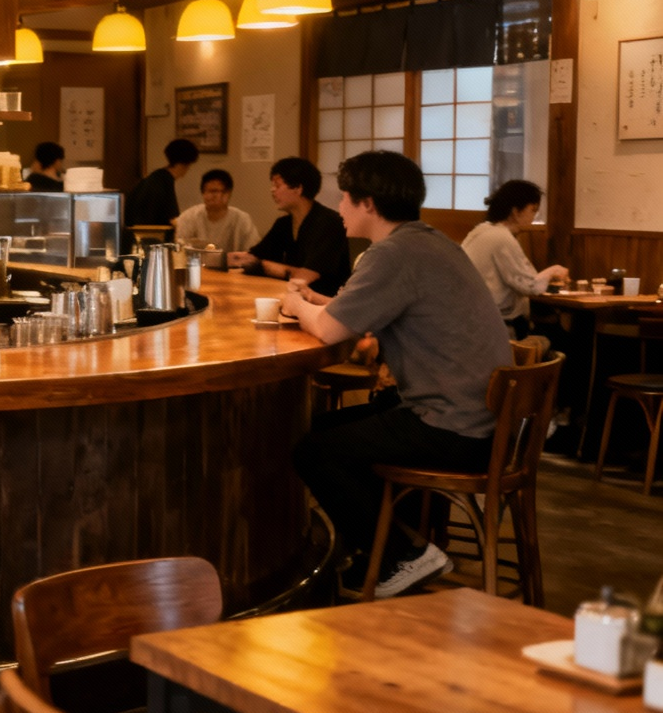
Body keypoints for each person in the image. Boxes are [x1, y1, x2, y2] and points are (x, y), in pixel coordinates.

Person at [282, 150, 512, 598]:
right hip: (483, 418)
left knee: (313, 451)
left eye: (345, 197)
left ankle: (402, 554)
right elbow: (356, 309)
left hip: (454, 427)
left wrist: (294, 304)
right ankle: (372, 550)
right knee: (324, 430)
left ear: (368, 203)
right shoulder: (427, 241)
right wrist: (319, 302)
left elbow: (329, 330)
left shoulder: (392, 253)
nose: (340, 207)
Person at [228, 156, 351, 297]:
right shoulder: (283, 224)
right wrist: (222, 258)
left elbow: (306, 276)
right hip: (289, 295)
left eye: (277, 185)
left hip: (323, 300)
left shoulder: (330, 223)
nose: (272, 190)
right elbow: (254, 256)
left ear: (298, 188)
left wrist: (262, 265)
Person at [462, 179, 570, 338]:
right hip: (496, 327)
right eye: (533, 210)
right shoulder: (501, 237)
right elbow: (530, 286)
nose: (534, 215)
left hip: (474, 320)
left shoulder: (481, 231)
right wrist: (554, 270)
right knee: (566, 336)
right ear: (515, 211)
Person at [124, 138, 199, 246]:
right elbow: (172, 219)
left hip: (132, 238)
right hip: (149, 241)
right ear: (186, 164)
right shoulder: (163, 182)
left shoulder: (154, 179)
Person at [175, 169, 260, 253]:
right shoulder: (189, 217)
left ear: (229, 193)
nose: (216, 196)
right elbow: (177, 245)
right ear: (203, 193)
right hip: (196, 261)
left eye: (222, 192)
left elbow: (253, 251)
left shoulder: (242, 219)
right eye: (211, 191)